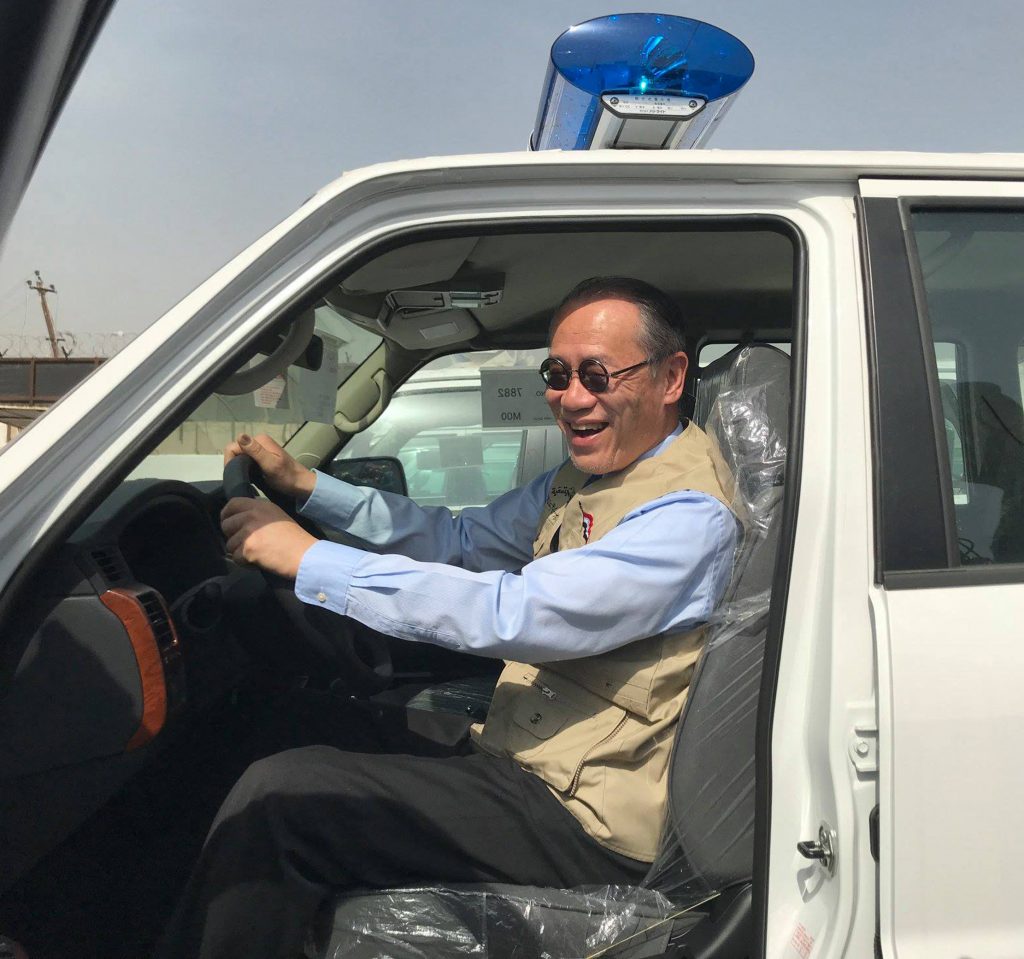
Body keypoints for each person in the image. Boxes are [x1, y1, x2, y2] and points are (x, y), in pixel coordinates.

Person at [156, 276, 738, 959]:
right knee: (276, 719)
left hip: (581, 817)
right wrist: (307, 487)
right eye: (557, 373)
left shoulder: (685, 517)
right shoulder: (595, 477)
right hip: (526, 746)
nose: (572, 397)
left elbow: (511, 612)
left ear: (671, 377)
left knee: (281, 801)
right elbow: (460, 540)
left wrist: (309, 560)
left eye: (597, 374)